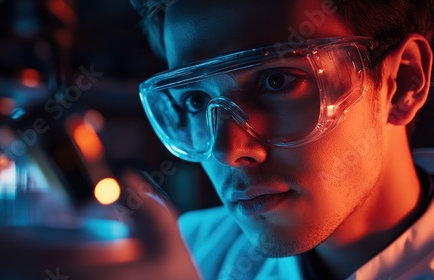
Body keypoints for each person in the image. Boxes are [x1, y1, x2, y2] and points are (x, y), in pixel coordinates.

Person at [129, 0, 434, 279]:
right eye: (195, 100)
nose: (227, 150)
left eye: (277, 81)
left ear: (404, 83)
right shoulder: (184, 255)